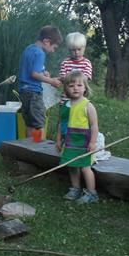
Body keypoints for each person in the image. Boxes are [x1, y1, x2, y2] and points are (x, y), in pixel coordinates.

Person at [56, 70, 99, 204]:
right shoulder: (65, 105)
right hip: (69, 142)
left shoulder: (87, 106)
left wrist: (93, 142)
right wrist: (58, 140)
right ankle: (75, 188)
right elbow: (61, 124)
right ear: (66, 89)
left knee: (85, 167)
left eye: (79, 85)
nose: (75, 88)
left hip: (83, 143)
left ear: (85, 88)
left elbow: (94, 126)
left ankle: (92, 193)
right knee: (72, 165)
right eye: (71, 85)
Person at [18, 25, 63, 143]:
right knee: (39, 124)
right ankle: (39, 148)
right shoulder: (40, 53)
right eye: (54, 47)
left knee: (30, 124)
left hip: (24, 91)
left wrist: (44, 73)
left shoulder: (29, 49)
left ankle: (28, 147)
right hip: (34, 93)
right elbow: (34, 74)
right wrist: (52, 81)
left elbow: (32, 69)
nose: (53, 51)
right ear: (46, 41)